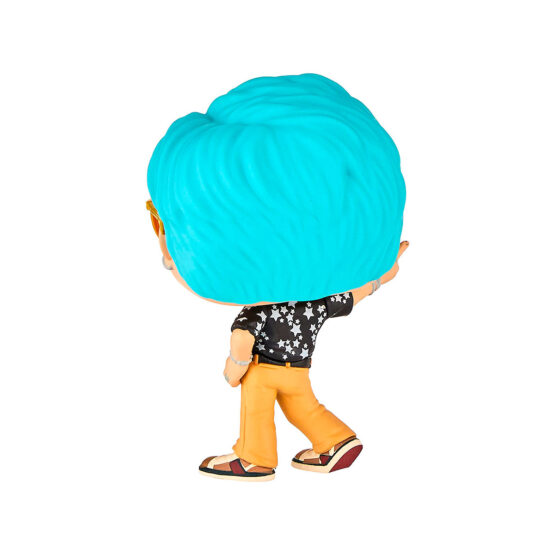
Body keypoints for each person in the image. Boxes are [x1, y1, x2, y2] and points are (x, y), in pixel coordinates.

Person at [146, 74, 408, 481]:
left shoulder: (256, 313)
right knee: (302, 404)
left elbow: (242, 343)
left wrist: (234, 368)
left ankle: (254, 457)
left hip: (266, 368)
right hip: (298, 367)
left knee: (256, 402)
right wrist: (383, 273)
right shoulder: (314, 304)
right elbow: (354, 296)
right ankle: (335, 440)